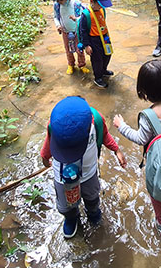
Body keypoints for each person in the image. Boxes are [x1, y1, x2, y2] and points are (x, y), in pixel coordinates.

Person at [112, 60, 161, 238]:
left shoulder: (148, 116)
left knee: (156, 194)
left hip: (159, 163)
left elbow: (140, 139)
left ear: (145, 92)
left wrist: (122, 126)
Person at [40, 96, 127, 239]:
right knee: (66, 205)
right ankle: (71, 218)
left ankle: (92, 211)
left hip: (89, 173)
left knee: (92, 196)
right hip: (64, 177)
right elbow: (46, 148)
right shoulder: (56, 125)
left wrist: (116, 150)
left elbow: (105, 135)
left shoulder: (95, 121)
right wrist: (45, 159)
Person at [49, 0, 90, 75]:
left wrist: (76, 18)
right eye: (57, 0)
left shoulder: (76, 4)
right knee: (68, 50)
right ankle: (71, 64)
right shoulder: (57, 6)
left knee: (79, 49)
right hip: (65, 32)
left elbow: (84, 16)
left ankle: (82, 64)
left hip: (76, 32)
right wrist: (58, 25)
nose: (59, 1)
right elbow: (55, 17)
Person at [78, 0, 114, 89]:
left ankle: (103, 70)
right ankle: (98, 77)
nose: (101, 7)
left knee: (107, 55)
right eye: (100, 4)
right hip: (93, 40)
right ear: (91, 2)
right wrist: (86, 45)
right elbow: (83, 31)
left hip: (104, 37)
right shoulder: (86, 14)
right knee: (97, 60)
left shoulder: (102, 10)